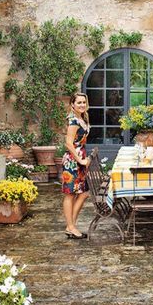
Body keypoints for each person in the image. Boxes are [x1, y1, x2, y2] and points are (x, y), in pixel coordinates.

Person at [62, 92, 91, 239]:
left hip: (80, 160)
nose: (82, 105)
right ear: (72, 104)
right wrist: (80, 160)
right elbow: (68, 143)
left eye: (84, 102)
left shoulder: (81, 118)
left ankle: (70, 225)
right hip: (73, 162)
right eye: (79, 102)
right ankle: (71, 226)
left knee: (84, 193)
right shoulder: (73, 120)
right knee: (70, 194)